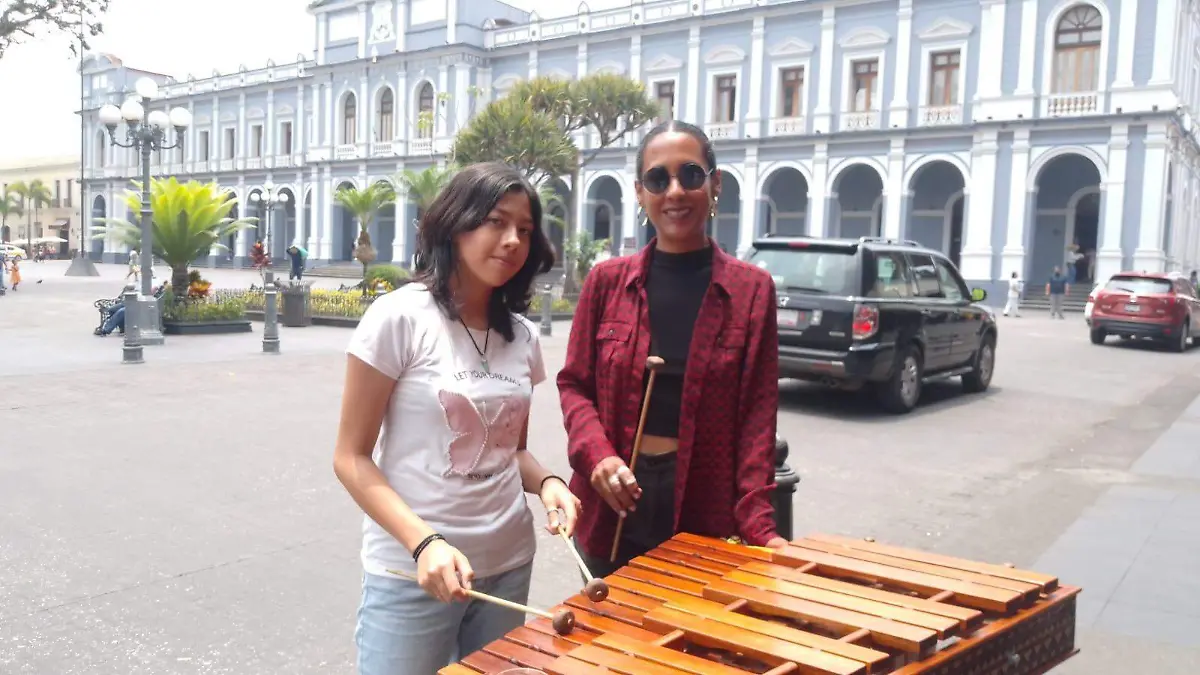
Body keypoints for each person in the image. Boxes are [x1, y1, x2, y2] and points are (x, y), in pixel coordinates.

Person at [332, 162, 578, 675]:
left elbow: (510, 450)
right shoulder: (399, 317)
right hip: (414, 571)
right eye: (496, 220)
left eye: (526, 230)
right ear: (455, 223)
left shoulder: (523, 337)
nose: (513, 240)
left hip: (509, 564)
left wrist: (550, 482)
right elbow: (350, 458)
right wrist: (424, 543)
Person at [558, 120, 787, 580]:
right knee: (607, 644)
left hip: (703, 505)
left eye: (691, 175)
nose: (676, 191)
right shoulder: (606, 283)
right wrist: (597, 456)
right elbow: (574, 385)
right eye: (659, 179)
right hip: (612, 507)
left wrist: (760, 526)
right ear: (641, 193)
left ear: (715, 183)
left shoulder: (751, 290)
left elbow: (757, 418)